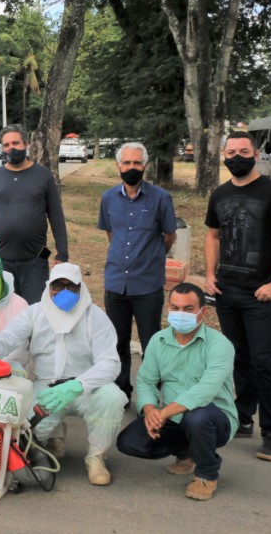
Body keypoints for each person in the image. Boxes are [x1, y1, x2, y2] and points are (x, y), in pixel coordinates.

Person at [0, 263, 125, 486]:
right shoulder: (35, 312)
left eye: (70, 286)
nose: (64, 291)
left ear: (80, 288)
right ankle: (54, 436)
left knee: (111, 397)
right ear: (49, 287)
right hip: (47, 389)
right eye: (58, 286)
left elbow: (110, 363)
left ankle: (95, 458)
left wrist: (77, 385)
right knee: (20, 438)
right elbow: (9, 337)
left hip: (87, 388)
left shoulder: (95, 317)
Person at [203, 131, 271, 461]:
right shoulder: (219, 194)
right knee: (238, 357)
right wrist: (208, 274)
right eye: (230, 151)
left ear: (256, 153)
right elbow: (212, 235)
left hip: (260, 294)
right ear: (224, 155)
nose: (236, 156)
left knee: (263, 362)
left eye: (243, 151)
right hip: (226, 291)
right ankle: (243, 416)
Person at [117, 283, 237, 501]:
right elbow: (146, 380)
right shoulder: (158, 340)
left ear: (203, 312)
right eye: (175, 308)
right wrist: (150, 410)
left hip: (215, 418)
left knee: (197, 416)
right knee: (129, 441)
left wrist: (163, 413)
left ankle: (206, 474)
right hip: (174, 416)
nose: (180, 314)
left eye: (188, 309)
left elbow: (204, 391)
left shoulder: (220, 345)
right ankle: (187, 453)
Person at [98, 142, 178, 402]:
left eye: (136, 163)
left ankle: (149, 397)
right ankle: (121, 392)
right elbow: (112, 233)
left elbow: (170, 235)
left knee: (150, 344)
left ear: (145, 165)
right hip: (116, 283)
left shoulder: (161, 198)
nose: (131, 168)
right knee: (117, 342)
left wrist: (151, 258)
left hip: (148, 284)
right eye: (126, 163)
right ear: (117, 166)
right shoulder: (108, 198)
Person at [0, 124, 69, 304]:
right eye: (6, 145)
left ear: (26, 144)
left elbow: (56, 216)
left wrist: (62, 253)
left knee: (36, 312)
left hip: (38, 258)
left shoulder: (43, 175)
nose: (11, 148)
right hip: (1, 259)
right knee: (5, 313)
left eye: (15, 143)